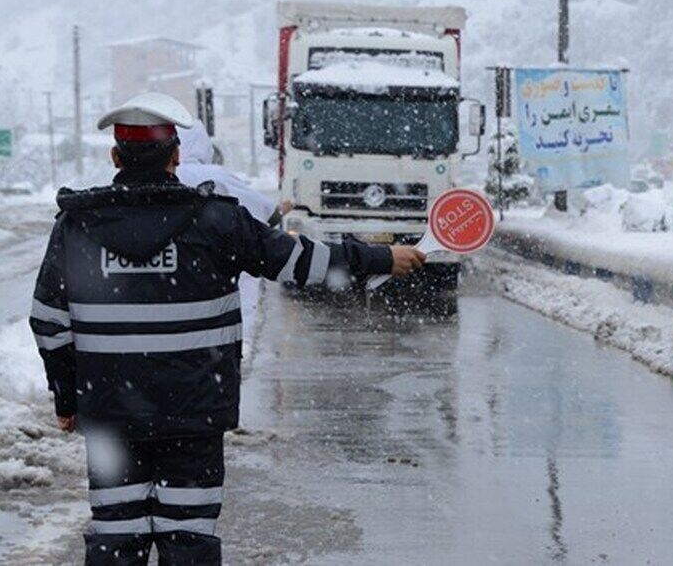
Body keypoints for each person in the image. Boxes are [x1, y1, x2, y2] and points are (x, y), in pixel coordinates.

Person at [28, 92, 425, 565]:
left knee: (116, 538)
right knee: (189, 539)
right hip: (193, 417)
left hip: (113, 420)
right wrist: (380, 257)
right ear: (176, 156)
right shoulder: (217, 221)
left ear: (115, 157)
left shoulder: (76, 227)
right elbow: (299, 261)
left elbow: (49, 322)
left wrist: (70, 398)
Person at [174, 120, 281, 335]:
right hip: (216, 294)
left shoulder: (158, 177)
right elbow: (267, 215)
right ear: (204, 145)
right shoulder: (217, 176)